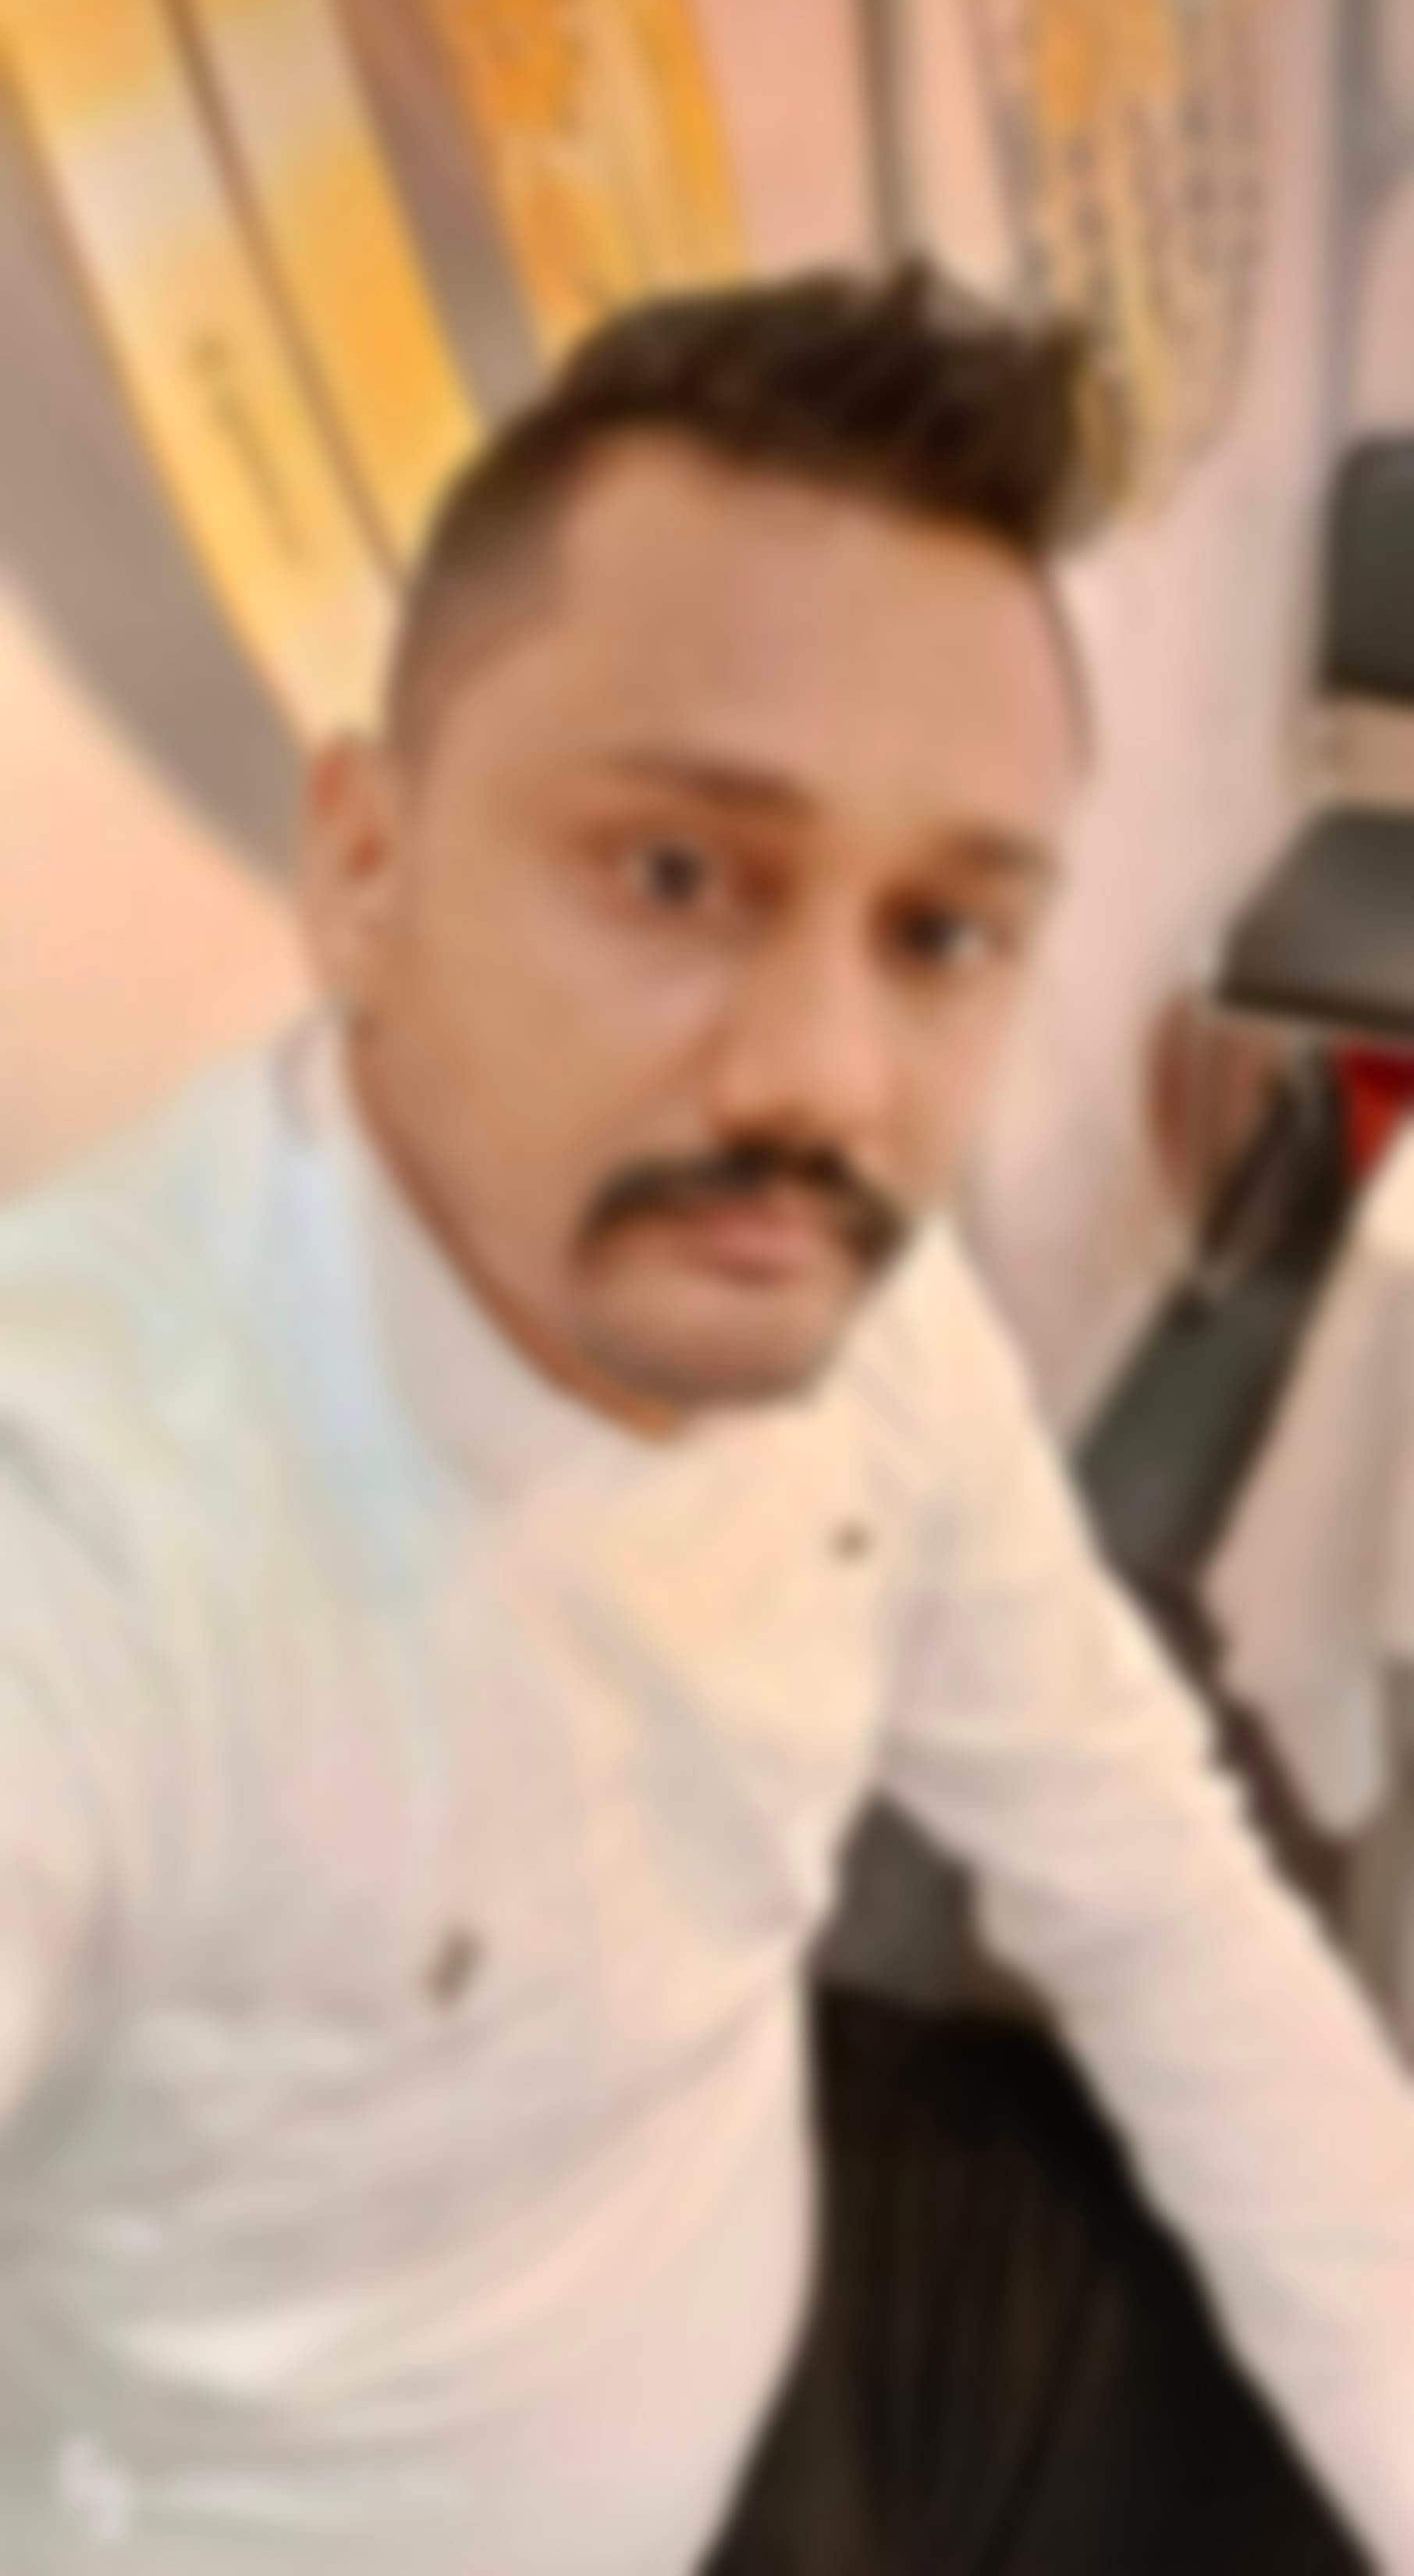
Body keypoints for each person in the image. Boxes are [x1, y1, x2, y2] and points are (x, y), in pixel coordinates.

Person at [0, 260, 1409, 2576]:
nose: (825, 1081)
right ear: (364, 864)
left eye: (940, 932)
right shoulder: (90, 1514)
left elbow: (1145, 1879)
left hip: (767, 2280)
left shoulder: (855, 1305)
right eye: (674, 874)